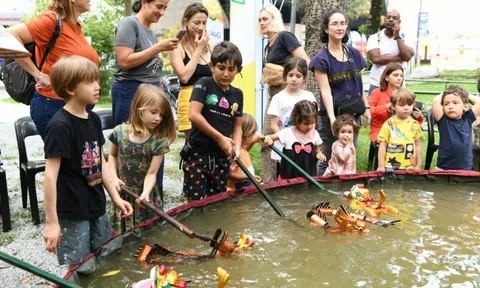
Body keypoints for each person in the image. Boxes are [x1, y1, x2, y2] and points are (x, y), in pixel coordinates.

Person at [43, 56, 133, 269]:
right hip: (73, 211)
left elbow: (100, 162)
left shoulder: (93, 119)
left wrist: (115, 198)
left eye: (96, 79)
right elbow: (49, 176)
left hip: (96, 204)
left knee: (103, 259)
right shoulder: (60, 126)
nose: (97, 85)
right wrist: (51, 222)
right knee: (81, 267)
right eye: (90, 81)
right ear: (71, 89)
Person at [112, 0, 178, 199]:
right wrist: (158, 48)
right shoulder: (129, 24)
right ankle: (126, 198)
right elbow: (124, 61)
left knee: (154, 145)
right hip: (129, 92)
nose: (162, 12)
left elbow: (152, 73)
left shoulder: (149, 32)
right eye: (159, 6)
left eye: (165, 8)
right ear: (144, 3)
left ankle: (152, 197)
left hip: (150, 94)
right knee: (131, 147)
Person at [7, 0, 99, 139]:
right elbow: (8, 37)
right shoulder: (50, 20)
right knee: (64, 159)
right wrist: (39, 75)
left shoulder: (74, 25)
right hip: (55, 104)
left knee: (83, 157)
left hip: (76, 104)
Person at [309, 8, 371, 176]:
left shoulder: (354, 53)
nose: (339, 27)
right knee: (326, 158)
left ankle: (344, 194)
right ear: (326, 29)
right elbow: (325, 91)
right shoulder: (321, 59)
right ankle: (319, 197)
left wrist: (366, 108)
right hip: (332, 114)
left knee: (349, 154)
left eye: (343, 23)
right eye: (334, 24)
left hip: (353, 115)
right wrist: (332, 119)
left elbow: (359, 84)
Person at [108, 84, 176, 233]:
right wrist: (113, 178)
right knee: (122, 234)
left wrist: (145, 193)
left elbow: (152, 173)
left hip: (146, 194)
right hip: (123, 191)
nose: (158, 118)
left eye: (162, 115)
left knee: (148, 235)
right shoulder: (119, 132)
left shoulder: (158, 141)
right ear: (140, 109)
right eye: (154, 112)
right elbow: (112, 156)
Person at [181, 41, 243, 202]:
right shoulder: (204, 84)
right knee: (195, 203)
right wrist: (220, 138)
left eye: (231, 69)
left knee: (216, 203)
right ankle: (194, 227)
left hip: (220, 158)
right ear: (212, 66)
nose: (226, 74)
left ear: (238, 70)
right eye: (221, 68)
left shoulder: (238, 95)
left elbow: (237, 126)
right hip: (197, 153)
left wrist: (236, 146)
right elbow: (193, 115)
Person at [258, 4, 310, 183]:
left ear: (275, 19)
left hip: (289, 93)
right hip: (274, 93)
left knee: (290, 137)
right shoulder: (267, 44)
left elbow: (305, 61)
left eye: (265, 19)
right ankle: (269, 181)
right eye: (259, 20)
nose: (261, 23)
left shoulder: (284, 36)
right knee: (269, 137)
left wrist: (288, 77)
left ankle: (290, 180)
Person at [169, 3, 213, 138]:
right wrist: (199, 48)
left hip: (210, 100)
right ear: (186, 22)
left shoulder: (211, 44)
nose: (201, 27)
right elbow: (184, 76)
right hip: (189, 101)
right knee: (193, 145)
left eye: (204, 23)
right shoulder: (176, 46)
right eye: (197, 22)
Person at [266, 56, 316, 176]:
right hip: (285, 147)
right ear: (285, 76)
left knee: (306, 177)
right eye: (290, 75)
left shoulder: (309, 96)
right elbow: (274, 124)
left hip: (306, 146)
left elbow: (313, 122)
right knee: (285, 176)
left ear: (304, 78)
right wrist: (286, 138)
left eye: (298, 76)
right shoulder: (278, 98)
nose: (294, 79)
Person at [264, 100, 326, 179]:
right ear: (297, 120)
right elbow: (271, 137)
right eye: (306, 123)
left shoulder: (315, 134)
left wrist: (319, 154)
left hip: (309, 174)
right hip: (290, 175)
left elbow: (317, 149)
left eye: (312, 123)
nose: (310, 126)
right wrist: (269, 139)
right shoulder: (288, 133)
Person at [369, 62, 423, 143]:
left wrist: (418, 116)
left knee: (413, 140)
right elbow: (368, 112)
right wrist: (386, 107)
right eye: (395, 75)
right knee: (391, 141)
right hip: (380, 128)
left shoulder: (405, 93)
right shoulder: (376, 93)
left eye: (401, 76)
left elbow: (414, 122)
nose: (399, 78)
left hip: (402, 128)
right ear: (386, 77)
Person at [432, 85, 480, 170]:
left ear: (465, 106)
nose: (450, 106)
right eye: (446, 104)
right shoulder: (443, 120)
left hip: (465, 168)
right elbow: (435, 101)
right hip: (443, 168)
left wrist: (463, 95)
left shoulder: (468, 118)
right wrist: (446, 93)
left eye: (455, 103)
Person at [366, 10, 414, 95]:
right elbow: (376, 58)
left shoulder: (405, 38)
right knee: (376, 108)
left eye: (394, 18)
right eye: (388, 17)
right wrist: (400, 58)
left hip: (398, 87)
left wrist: (397, 36)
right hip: (377, 85)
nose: (391, 20)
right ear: (384, 20)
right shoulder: (374, 38)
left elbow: (407, 56)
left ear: (399, 22)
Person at [377, 87, 423, 171]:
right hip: (390, 166)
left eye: (409, 105)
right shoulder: (388, 124)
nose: (406, 108)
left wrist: (418, 165)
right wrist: (381, 166)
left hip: (410, 166)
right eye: (401, 105)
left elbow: (418, 145)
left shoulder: (415, 125)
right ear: (393, 106)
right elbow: (382, 146)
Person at [227, 113, 263, 191]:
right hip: (239, 187)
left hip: (248, 181)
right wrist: (249, 176)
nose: (254, 136)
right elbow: (231, 175)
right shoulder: (233, 152)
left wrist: (253, 141)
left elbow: (245, 152)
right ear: (245, 135)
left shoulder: (242, 147)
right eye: (253, 134)